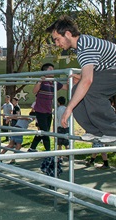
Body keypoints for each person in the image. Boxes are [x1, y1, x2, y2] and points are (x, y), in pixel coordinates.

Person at [46, 15, 116, 143]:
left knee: (91, 90)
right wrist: (82, 77)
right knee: (76, 90)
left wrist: (68, 109)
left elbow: (88, 81)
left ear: (67, 34)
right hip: (110, 70)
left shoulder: (85, 48)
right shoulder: (82, 45)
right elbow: (95, 69)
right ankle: (95, 131)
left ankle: (112, 130)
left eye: (57, 39)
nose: (57, 44)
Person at [28, 63, 68, 152]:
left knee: (44, 131)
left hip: (49, 111)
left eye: (53, 68)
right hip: (40, 110)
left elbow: (66, 87)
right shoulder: (42, 81)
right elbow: (34, 91)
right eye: (50, 69)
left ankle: (32, 148)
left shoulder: (54, 82)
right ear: (45, 71)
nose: (53, 70)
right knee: (45, 132)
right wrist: (39, 81)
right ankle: (48, 152)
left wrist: (72, 79)